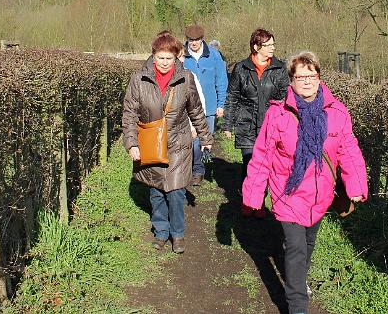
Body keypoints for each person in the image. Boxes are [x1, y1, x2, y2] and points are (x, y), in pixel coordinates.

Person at [242, 51, 368, 314]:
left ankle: (297, 277)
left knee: (308, 243)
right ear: (292, 80)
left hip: (320, 195)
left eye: (311, 75)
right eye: (301, 76)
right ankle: (298, 305)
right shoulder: (278, 114)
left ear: (319, 77)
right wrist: (254, 196)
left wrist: (356, 186)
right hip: (287, 193)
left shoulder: (337, 112)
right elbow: (262, 156)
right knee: (297, 248)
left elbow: (348, 149)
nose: (307, 81)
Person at [122, 31, 211, 254]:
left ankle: (177, 234)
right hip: (150, 143)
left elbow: (196, 111)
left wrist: (205, 138)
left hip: (178, 143)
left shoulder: (186, 78)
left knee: (176, 191)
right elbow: (129, 113)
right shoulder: (138, 79)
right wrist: (132, 143)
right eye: (160, 58)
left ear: (176, 57)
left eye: (169, 58)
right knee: (156, 191)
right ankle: (161, 232)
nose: (164, 63)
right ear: (153, 56)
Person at [224, 28, 289, 206]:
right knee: (250, 162)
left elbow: (285, 98)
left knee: (266, 165)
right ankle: (248, 199)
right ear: (255, 46)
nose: (272, 48)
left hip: (270, 125)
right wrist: (228, 125)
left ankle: (259, 201)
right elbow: (232, 96)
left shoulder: (280, 68)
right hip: (246, 123)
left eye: (273, 44)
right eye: (267, 45)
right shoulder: (241, 68)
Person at [182, 24, 228, 186]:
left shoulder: (214, 56)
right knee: (190, 138)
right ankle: (192, 169)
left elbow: (221, 80)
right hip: (186, 107)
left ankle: (198, 170)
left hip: (208, 106)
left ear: (202, 39)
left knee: (203, 139)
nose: (194, 43)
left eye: (197, 40)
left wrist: (221, 103)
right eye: (191, 40)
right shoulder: (181, 56)